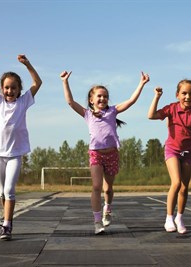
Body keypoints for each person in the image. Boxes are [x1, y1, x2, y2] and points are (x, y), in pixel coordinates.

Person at [60, 70, 150, 234]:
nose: (102, 99)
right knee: (96, 186)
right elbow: (70, 102)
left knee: (108, 189)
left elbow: (131, 101)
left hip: (112, 154)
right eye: (99, 96)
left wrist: (141, 84)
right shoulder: (87, 114)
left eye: (105, 96)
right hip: (96, 153)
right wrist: (65, 81)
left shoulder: (113, 111)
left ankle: (107, 209)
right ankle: (96, 222)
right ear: (91, 100)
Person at [0, 48, 43, 240]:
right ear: (1, 90)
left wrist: (27, 64)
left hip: (15, 153)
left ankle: (7, 225)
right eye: (6, 87)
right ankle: (7, 218)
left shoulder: (23, 102)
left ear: (19, 90)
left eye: (13, 87)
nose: (10, 91)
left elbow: (37, 82)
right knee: (1, 191)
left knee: (9, 190)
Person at [148, 79, 191, 234]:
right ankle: (169, 218)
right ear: (177, 95)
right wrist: (157, 97)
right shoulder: (171, 108)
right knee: (176, 182)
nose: (188, 97)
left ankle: (179, 217)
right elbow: (151, 115)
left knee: (184, 188)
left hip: (187, 153)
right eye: (184, 93)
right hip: (172, 150)